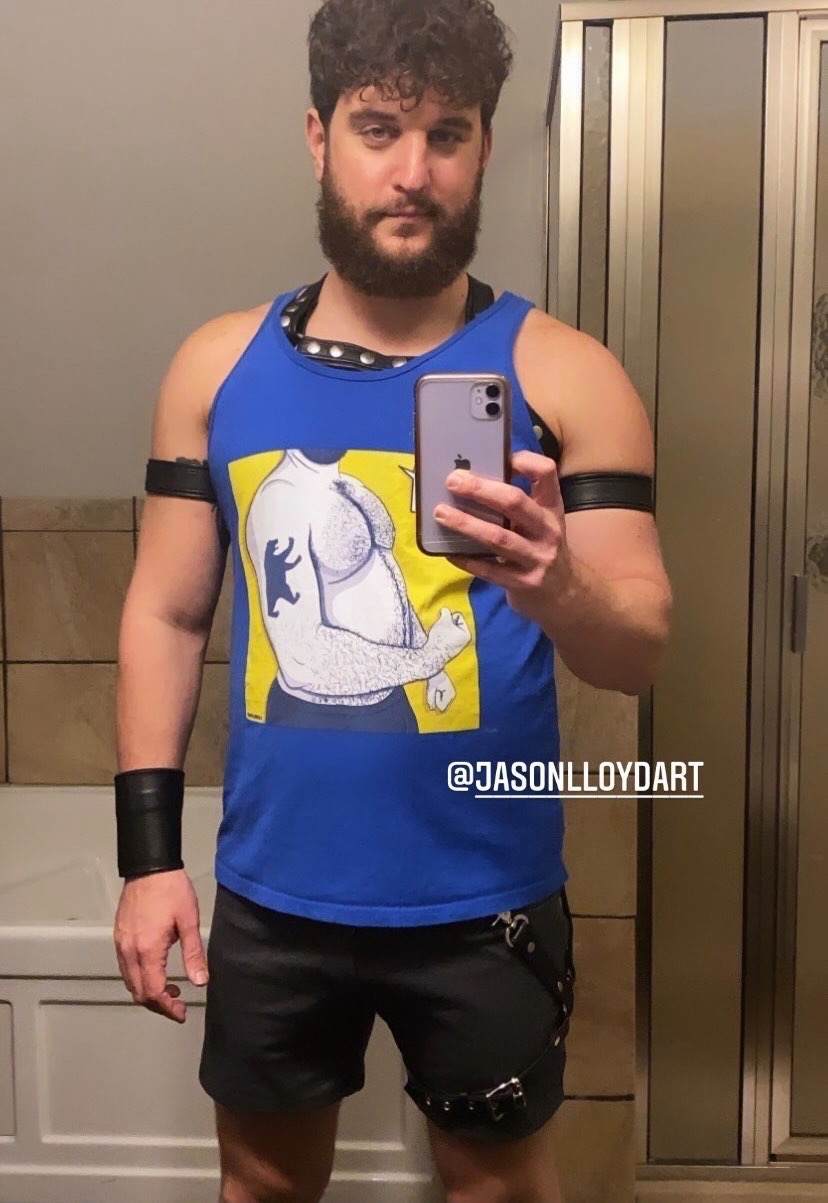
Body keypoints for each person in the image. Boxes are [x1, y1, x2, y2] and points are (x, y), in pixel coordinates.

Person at [113, 1, 672, 1200]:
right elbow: (166, 614)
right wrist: (147, 862)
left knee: (497, 1189)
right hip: (275, 898)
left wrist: (560, 582)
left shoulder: (570, 374)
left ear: (485, 148)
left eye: (447, 133)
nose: (412, 172)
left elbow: (637, 652)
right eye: (378, 130)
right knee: (264, 1187)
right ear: (320, 137)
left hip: (486, 902)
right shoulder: (216, 368)